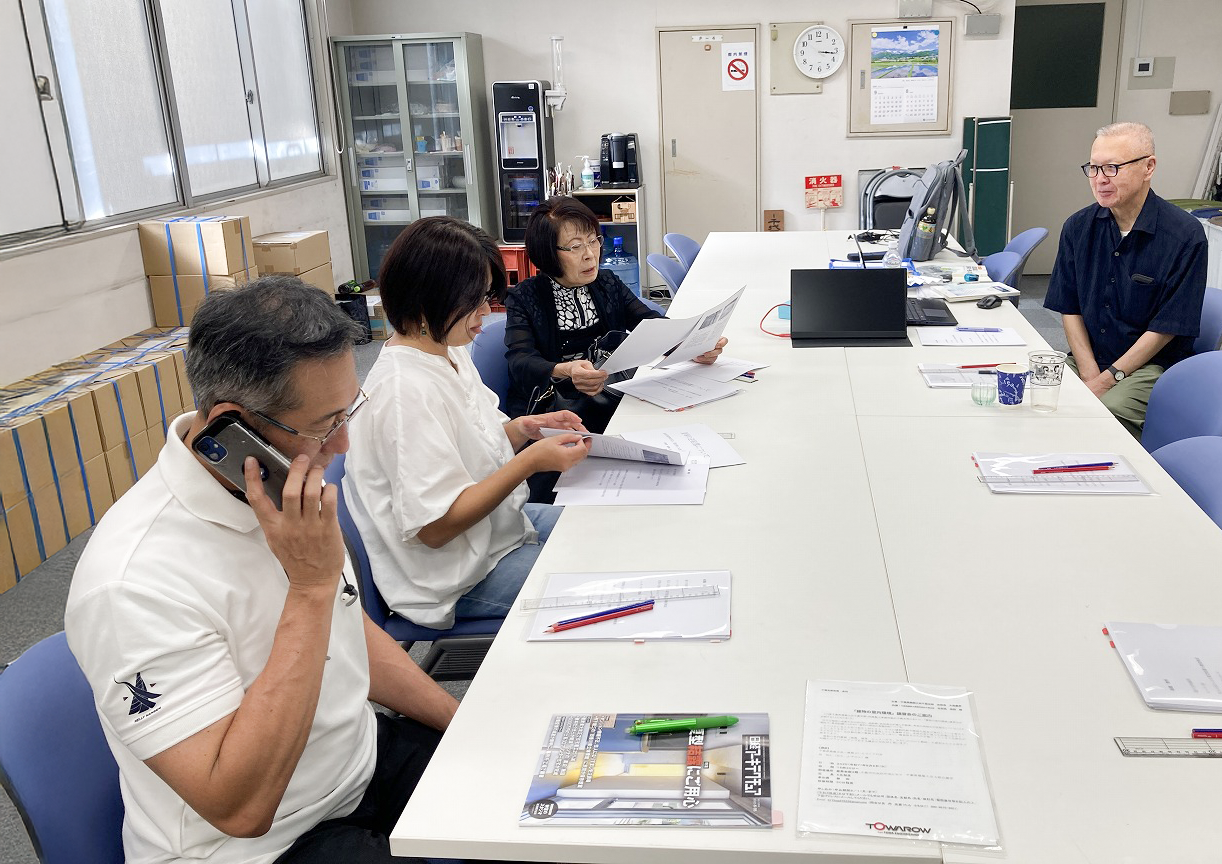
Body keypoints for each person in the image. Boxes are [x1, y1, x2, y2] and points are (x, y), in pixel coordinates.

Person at [65, 276, 462, 864]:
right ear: (235, 425)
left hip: (352, 766)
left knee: (524, 794)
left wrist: (460, 722)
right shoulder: (133, 581)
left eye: (348, 412)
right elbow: (240, 808)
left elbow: (351, 632)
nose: (344, 445)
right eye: (326, 425)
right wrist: (310, 587)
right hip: (263, 843)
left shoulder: (283, 494)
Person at [344, 216, 589, 630]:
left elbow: (476, 445)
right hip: (455, 574)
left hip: (496, 532)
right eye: (473, 300)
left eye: (487, 297)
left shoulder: (446, 350)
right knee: (600, 579)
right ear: (428, 299)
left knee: (611, 530)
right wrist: (530, 463)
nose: (485, 312)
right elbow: (436, 528)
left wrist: (523, 430)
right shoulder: (404, 391)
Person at [504, 196, 726, 435]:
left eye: (593, 241)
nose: (590, 254)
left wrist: (691, 345)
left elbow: (648, 322)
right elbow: (520, 361)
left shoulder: (606, 282)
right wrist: (566, 370)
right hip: (555, 414)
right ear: (548, 252)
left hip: (609, 400)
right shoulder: (525, 297)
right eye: (576, 246)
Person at [1044, 121, 1207, 437]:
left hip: (1150, 367)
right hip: (1089, 359)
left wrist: (1107, 381)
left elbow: (1165, 329)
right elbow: (1070, 307)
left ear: (1149, 167)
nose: (1100, 179)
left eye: (1112, 168)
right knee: (1037, 398)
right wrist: (1091, 372)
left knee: (1104, 417)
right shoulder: (1078, 228)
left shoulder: (1184, 236)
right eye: (1093, 168)